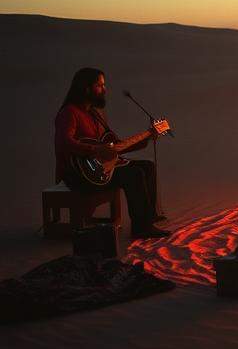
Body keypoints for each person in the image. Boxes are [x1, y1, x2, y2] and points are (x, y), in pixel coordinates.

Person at [54, 68, 169, 240]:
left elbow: (115, 146)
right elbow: (64, 142)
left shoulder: (95, 114)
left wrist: (146, 138)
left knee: (147, 166)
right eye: (100, 85)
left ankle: (148, 217)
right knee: (133, 174)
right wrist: (95, 150)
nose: (104, 89)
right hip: (78, 175)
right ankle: (141, 228)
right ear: (86, 88)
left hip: (101, 168)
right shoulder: (69, 113)